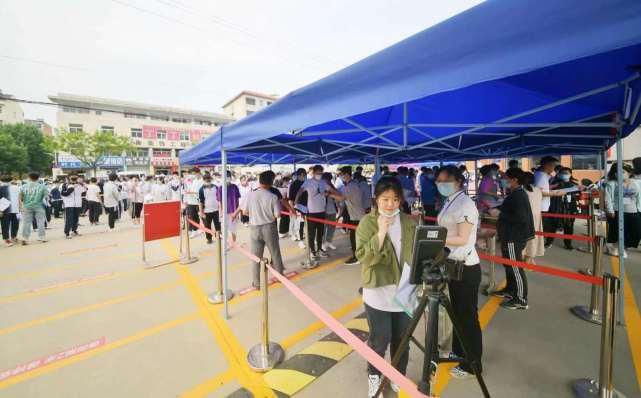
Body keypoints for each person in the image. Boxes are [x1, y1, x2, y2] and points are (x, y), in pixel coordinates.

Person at [355, 176, 417, 396]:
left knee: (402, 342)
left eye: (395, 199)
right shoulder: (368, 223)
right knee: (379, 342)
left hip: (405, 294)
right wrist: (381, 232)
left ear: (400, 200)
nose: (390, 204)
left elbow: (416, 254)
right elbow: (364, 257)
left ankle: (397, 376)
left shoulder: (410, 222)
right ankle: (374, 377)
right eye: (385, 199)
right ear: (376, 200)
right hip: (378, 294)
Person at [433, 165, 484, 379]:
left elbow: (462, 238)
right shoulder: (451, 200)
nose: (441, 184)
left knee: (467, 316)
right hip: (453, 265)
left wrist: (435, 238)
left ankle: (472, 364)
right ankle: (459, 351)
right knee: (457, 313)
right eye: (439, 181)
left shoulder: (465, 204)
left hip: (466, 267)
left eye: (446, 181)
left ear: (458, 182)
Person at [490, 168, 535, 310]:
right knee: (509, 265)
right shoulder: (516, 193)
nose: (502, 180)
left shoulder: (519, 195)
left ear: (514, 179)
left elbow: (520, 218)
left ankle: (521, 299)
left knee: (515, 267)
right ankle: (510, 289)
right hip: (509, 235)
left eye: (505, 177)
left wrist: (499, 214)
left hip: (513, 237)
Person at [239, 171, 285, 288]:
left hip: (254, 228)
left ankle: (256, 283)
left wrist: (255, 214)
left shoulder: (250, 195)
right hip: (269, 227)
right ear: (271, 182)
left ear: (259, 181)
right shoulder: (273, 196)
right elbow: (278, 215)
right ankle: (280, 277)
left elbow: (244, 212)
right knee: (275, 253)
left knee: (255, 258)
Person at [294, 165, 341, 260]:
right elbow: (300, 191)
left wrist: (336, 194)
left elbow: (332, 190)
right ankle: (312, 251)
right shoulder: (308, 182)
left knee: (320, 233)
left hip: (322, 211)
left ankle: (319, 249)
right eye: (318, 173)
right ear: (314, 173)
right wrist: (296, 202)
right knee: (311, 233)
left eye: (321, 173)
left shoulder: (323, 182)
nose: (319, 174)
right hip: (311, 212)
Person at [604, 163, 641, 258]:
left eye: (623, 172)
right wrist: (610, 210)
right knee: (617, 231)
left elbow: (639, 197)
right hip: (617, 211)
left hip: (633, 211)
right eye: (617, 172)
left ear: (629, 173)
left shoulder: (636, 182)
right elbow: (608, 198)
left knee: (636, 232)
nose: (619, 174)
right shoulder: (611, 183)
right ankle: (619, 248)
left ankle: (622, 247)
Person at [544, 167, 580, 250]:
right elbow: (548, 191)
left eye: (566, 173)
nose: (564, 175)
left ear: (570, 174)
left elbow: (577, 195)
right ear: (559, 174)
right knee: (552, 226)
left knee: (569, 227)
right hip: (555, 207)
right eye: (563, 173)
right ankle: (548, 242)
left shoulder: (574, 184)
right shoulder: (554, 183)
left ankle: (568, 244)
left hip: (569, 208)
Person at [338, 166, 365, 265]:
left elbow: (341, 198)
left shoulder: (350, 186)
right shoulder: (352, 185)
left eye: (341, 174)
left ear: (346, 174)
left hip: (357, 216)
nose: (340, 177)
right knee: (356, 237)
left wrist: (329, 194)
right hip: (356, 215)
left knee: (354, 238)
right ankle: (359, 255)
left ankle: (356, 257)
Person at [19, 172, 48, 245]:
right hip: (39, 206)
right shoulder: (42, 186)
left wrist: (21, 205)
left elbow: (20, 197)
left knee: (26, 222)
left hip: (27, 206)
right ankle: (42, 237)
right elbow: (46, 197)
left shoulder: (23, 186)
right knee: (40, 221)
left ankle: (25, 238)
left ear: (29, 177)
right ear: (38, 178)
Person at [522, 172, 545, 264]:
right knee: (534, 238)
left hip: (526, 218)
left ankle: (524, 258)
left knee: (524, 238)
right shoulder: (538, 190)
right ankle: (529, 258)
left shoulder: (522, 191)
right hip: (537, 218)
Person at [217, 171, 241, 245]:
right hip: (224, 211)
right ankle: (225, 244)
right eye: (226, 176)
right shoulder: (220, 188)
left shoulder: (235, 187)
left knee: (233, 229)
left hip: (233, 211)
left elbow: (237, 199)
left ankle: (233, 243)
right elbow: (219, 201)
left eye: (228, 176)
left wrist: (237, 212)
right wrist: (220, 212)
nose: (227, 178)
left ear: (230, 177)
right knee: (224, 229)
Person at [199, 173, 221, 244]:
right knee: (207, 225)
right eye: (206, 179)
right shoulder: (201, 189)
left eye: (209, 179)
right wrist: (201, 212)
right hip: (207, 211)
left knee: (217, 224)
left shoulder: (216, 187)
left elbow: (219, 199)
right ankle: (209, 239)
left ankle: (219, 236)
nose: (208, 180)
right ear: (204, 180)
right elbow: (201, 202)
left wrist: (221, 209)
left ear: (211, 179)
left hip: (216, 210)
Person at [289, 168, 307, 246]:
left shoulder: (306, 183)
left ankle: (303, 238)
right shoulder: (293, 184)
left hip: (307, 207)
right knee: (299, 225)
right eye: (301, 175)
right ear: (298, 175)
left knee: (305, 225)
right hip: (298, 207)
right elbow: (291, 199)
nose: (303, 176)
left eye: (304, 175)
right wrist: (293, 209)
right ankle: (300, 241)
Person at [321, 172, 339, 251]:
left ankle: (329, 242)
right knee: (323, 228)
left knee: (332, 227)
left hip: (332, 210)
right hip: (323, 211)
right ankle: (322, 243)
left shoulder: (331, 186)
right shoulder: (320, 186)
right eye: (327, 180)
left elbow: (337, 195)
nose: (328, 181)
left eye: (329, 180)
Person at [0, 175, 20, 246]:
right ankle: (9, 238)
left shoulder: (16, 188)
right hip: (8, 209)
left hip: (9, 209)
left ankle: (10, 238)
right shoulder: (1, 188)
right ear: (11, 180)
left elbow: (19, 197)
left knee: (8, 224)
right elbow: (19, 198)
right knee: (11, 224)